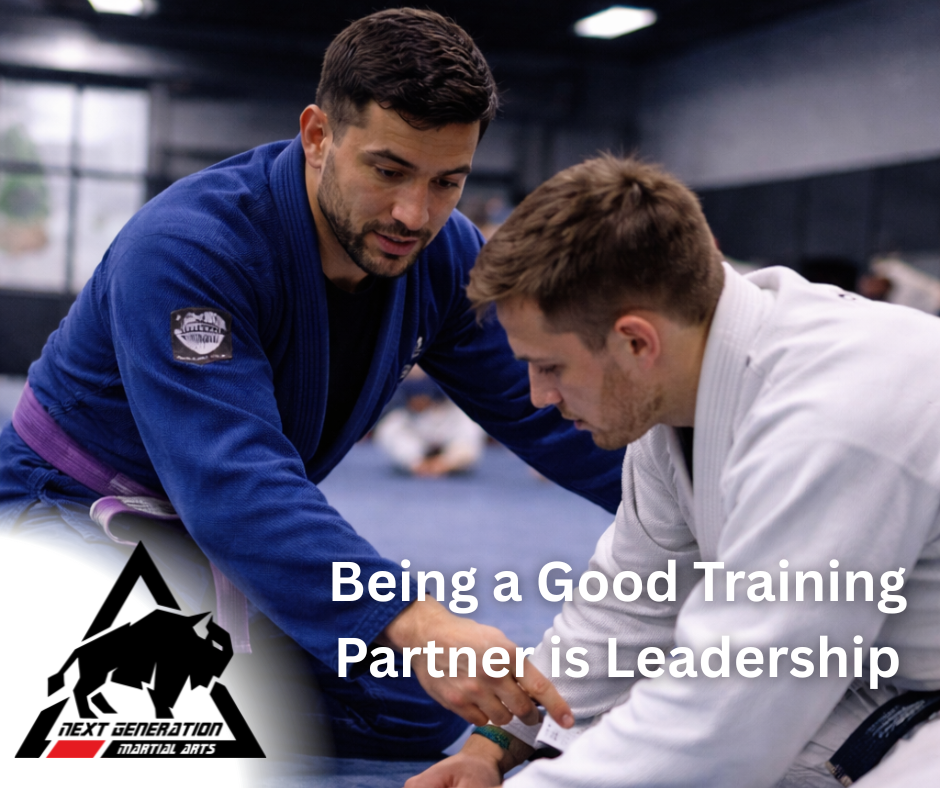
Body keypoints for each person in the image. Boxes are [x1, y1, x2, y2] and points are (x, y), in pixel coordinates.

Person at [0, 9, 625, 759]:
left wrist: (696, 505)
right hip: (66, 510)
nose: (413, 213)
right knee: (124, 712)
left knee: (413, 705)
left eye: (447, 182)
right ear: (318, 135)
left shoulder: (441, 255)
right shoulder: (190, 248)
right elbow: (234, 480)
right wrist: (414, 618)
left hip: (207, 537)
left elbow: (551, 412)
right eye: (388, 171)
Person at [408, 155, 940, 786]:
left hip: (906, 706)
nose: (537, 397)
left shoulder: (835, 412)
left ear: (637, 341)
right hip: (872, 681)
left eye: (549, 367)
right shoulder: (680, 390)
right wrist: (496, 746)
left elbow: (723, 722)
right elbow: (628, 608)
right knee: (628, 719)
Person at [373, 366, 487, 476]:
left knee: (470, 423)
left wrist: (445, 463)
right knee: (390, 427)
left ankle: (448, 461)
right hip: (412, 419)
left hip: (444, 414)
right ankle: (418, 463)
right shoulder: (394, 359)